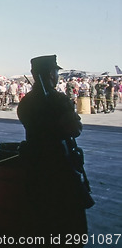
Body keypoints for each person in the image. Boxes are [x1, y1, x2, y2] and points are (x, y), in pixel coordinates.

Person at [17, 55, 94, 247]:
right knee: (68, 221)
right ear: (51, 74)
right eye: (56, 71)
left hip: (36, 165)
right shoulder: (58, 100)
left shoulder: (26, 102)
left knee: (42, 218)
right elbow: (75, 130)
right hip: (61, 164)